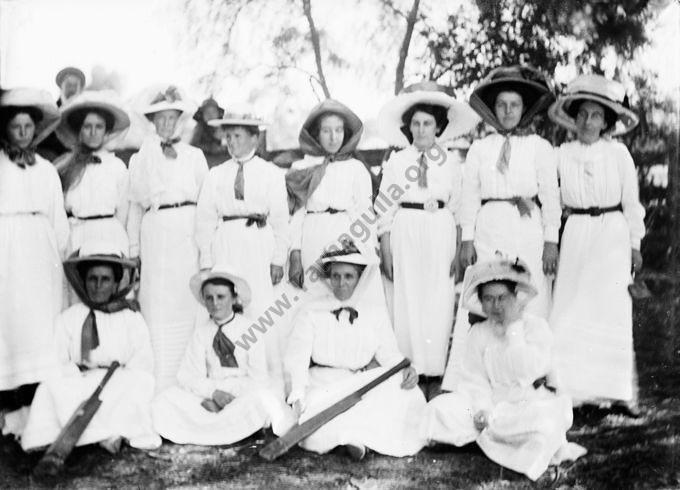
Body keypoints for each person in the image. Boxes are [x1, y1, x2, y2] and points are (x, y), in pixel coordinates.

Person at [446, 65, 561, 392]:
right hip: (490, 224)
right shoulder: (480, 148)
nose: (508, 112)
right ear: (492, 109)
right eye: (501, 105)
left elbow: (551, 196)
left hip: (527, 226)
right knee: (488, 288)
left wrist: (551, 241)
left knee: (529, 291)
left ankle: (530, 370)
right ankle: (479, 373)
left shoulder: (539, 147)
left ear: (524, 109)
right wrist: (466, 238)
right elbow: (469, 194)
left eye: (514, 105)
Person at [422, 256, 586, 481]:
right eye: (488, 299)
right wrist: (482, 408)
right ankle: (491, 436)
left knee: (545, 424)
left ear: (515, 297)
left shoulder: (535, 328)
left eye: (502, 298)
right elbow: (473, 379)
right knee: (437, 409)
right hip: (491, 406)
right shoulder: (478, 333)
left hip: (528, 404)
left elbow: (526, 370)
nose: (496, 306)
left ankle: (489, 440)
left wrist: (514, 329)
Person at [547, 74, 645, 415]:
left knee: (611, 309)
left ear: (606, 122)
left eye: (596, 116)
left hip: (612, 234)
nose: (588, 122)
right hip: (576, 232)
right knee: (573, 306)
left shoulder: (618, 154)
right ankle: (574, 390)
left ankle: (617, 391)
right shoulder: (560, 154)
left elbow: (631, 203)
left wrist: (635, 243)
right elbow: (549, 195)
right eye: (583, 114)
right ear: (573, 118)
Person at [375, 82, 479, 398]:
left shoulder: (450, 161)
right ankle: (409, 369)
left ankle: (434, 373)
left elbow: (461, 204)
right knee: (407, 299)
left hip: (440, 229)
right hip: (406, 228)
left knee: (438, 297)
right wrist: (386, 246)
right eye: (416, 124)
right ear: (409, 128)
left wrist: (462, 246)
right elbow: (385, 208)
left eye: (428, 124)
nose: (422, 130)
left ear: (438, 127)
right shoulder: (396, 161)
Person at [284, 239, 426, 459]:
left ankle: (355, 438)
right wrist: (298, 393)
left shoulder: (374, 313)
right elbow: (298, 357)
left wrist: (407, 369)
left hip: (357, 383)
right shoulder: (311, 311)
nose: (342, 283)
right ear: (329, 278)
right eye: (336, 276)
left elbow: (389, 354)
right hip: (322, 384)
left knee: (403, 392)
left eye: (349, 276)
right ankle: (354, 438)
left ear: (360, 279)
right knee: (319, 416)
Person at [17, 243, 160, 453]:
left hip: (118, 381)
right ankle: (80, 436)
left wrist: (121, 375)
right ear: (84, 282)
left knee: (140, 384)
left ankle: (107, 433)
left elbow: (143, 361)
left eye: (105, 280)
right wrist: (76, 374)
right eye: (93, 279)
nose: (98, 286)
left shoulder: (131, 317)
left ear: (115, 284)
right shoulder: (69, 317)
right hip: (78, 381)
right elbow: (56, 360)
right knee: (49, 389)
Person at [152, 264, 294, 445]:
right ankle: (227, 429)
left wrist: (227, 397)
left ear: (234, 298)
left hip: (242, 394)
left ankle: (215, 427)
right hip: (210, 393)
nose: (215, 303)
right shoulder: (201, 334)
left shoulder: (251, 329)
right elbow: (188, 376)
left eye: (221, 297)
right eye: (209, 298)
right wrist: (213, 393)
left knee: (259, 401)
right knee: (165, 400)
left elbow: (258, 379)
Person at [195, 112, 289, 379]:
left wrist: (278, 259)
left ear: (254, 139)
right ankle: (227, 375)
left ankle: (267, 378)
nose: (231, 142)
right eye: (228, 136)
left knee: (261, 308)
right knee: (229, 305)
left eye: (237, 136)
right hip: (226, 245)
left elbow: (281, 219)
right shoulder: (216, 175)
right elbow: (205, 220)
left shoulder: (271, 173)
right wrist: (207, 261)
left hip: (259, 246)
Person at [127, 84, 209, 392]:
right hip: (155, 230)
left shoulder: (194, 156)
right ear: (152, 122)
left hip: (185, 230)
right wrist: (134, 248)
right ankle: (159, 384)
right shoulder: (140, 158)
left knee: (186, 298)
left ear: (181, 120)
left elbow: (206, 204)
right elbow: (136, 205)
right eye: (160, 119)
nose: (166, 125)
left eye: (171, 118)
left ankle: (188, 382)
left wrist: (206, 249)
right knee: (156, 299)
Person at [0, 88, 68, 426]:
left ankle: (37, 401)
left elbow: (58, 219)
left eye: (28, 126)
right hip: (7, 249)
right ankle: (9, 402)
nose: (24, 133)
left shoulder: (46, 170)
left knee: (41, 320)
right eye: (17, 127)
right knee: (10, 320)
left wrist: (62, 253)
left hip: (40, 251)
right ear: (7, 129)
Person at [286, 99, 376, 296]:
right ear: (316, 134)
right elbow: (296, 216)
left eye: (339, 130)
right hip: (313, 237)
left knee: (343, 295)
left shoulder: (356, 169)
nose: (334, 137)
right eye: (326, 131)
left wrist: (362, 250)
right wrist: (295, 254)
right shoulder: (302, 168)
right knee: (312, 295)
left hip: (346, 239)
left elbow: (364, 213)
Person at [53, 90, 131, 259]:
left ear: (106, 131)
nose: (93, 132)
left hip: (110, 235)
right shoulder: (66, 166)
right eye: (87, 127)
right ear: (79, 131)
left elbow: (124, 212)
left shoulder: (117, 167)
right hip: (76, 237)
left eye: (99, 127)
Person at [37, 66, 86, 161]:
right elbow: (42, 140)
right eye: (68, 85)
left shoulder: (86, 114)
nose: (71, 89)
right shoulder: (50, 110)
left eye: (75, 85)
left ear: (80, 89)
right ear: (61, 87)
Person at [190, 97, 230, 167]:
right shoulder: (199, 129)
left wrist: (222, 140)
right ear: (202, 115)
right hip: (206, 164)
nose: (210, 115)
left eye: (213, 112)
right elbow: (194, 147)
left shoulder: (225, 127)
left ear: (218, 113)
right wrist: (213, 146)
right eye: (207, 112)